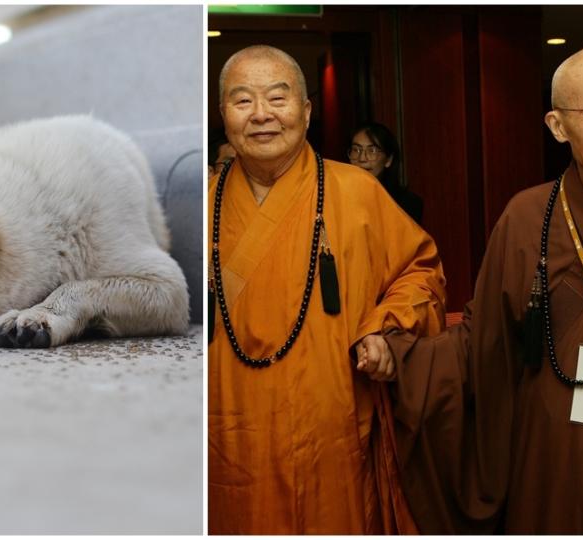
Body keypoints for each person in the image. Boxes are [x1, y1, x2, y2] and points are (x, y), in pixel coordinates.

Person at [369, 46, 583, 534]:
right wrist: (400, 355)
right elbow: (483, 343)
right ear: (558, 126)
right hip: (549, 459)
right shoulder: (527, 216)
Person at [207, 45, 447, 534]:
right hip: (226, 436)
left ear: (307, 110)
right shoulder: (201, 201)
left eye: (278, 98)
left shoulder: (356, 192)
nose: (262, 115)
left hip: (332, 433)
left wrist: (385, 328)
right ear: (222, 114)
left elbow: (421, 272)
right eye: (243, 101)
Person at [348, 123, 424, 223]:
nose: (362, 158)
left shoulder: (407, 204)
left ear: (388, 160)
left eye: (372, 151)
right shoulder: (336, 197)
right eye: (356, 150)